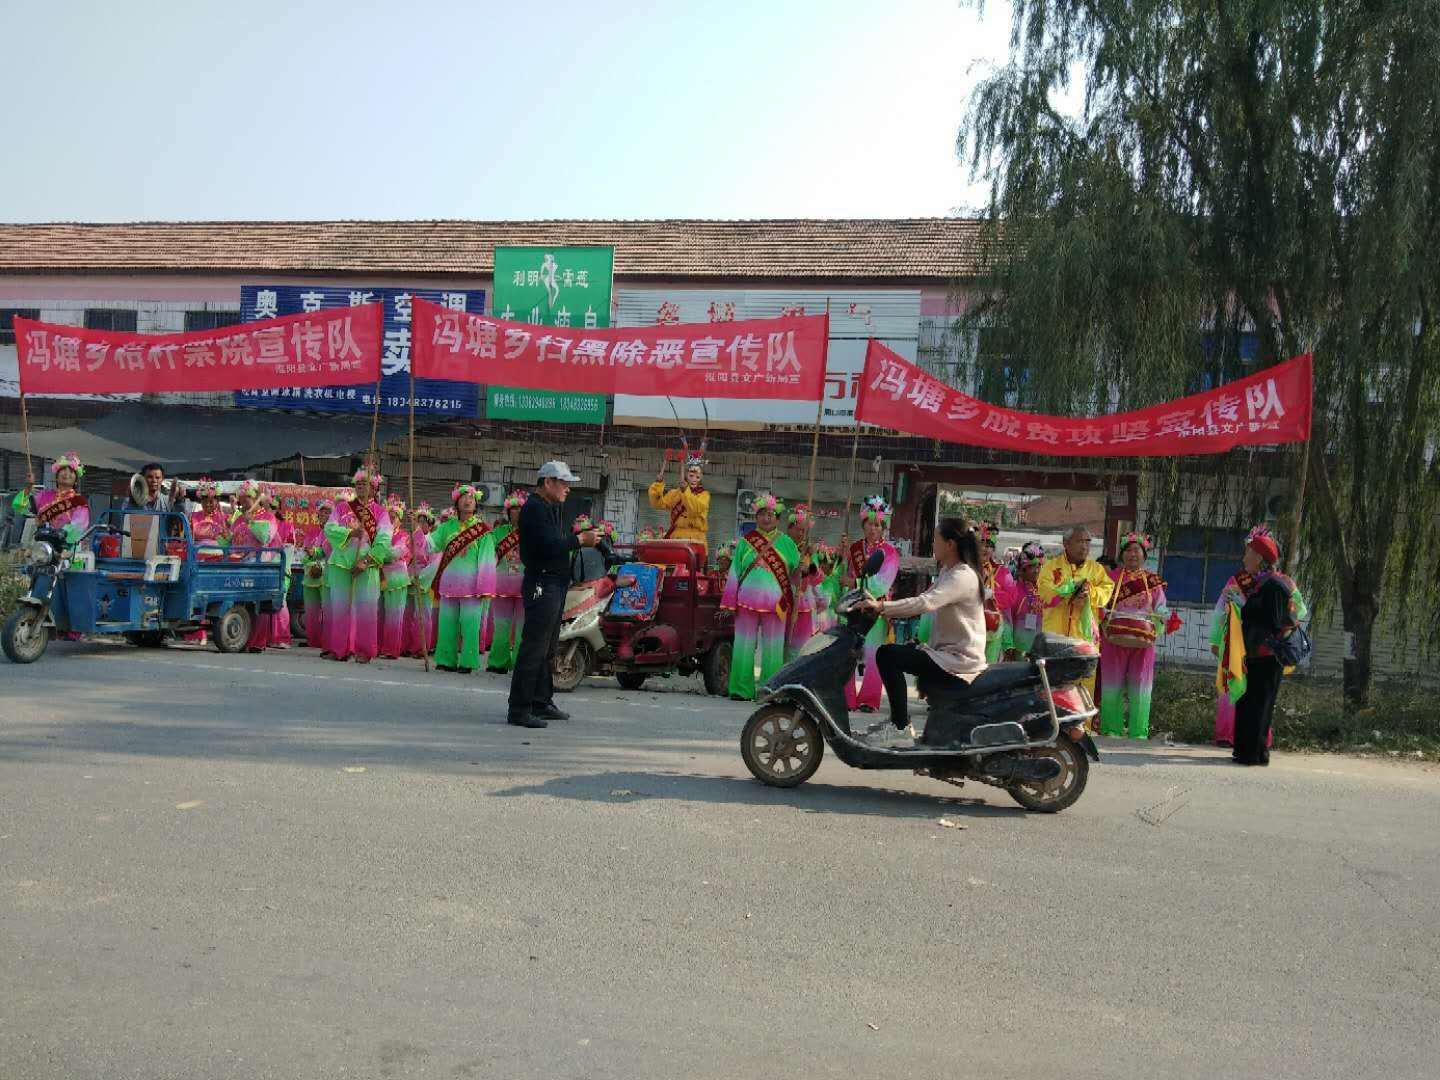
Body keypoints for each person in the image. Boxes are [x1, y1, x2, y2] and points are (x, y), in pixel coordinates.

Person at [860, 518, 988, 733]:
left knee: (887, 655)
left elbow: (925, 603)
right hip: (946, 654)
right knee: (894, 652)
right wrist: (883, 606)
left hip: (959, 661)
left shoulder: (962, 576)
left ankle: (900, 727)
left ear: (950, 544)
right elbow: (923, 598)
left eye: (936, 539)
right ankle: (899, 723)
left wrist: (882, 606)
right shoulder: (949, 571)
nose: (933, 544)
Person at [508, 462, 599, 728]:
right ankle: (519, 709)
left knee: (548, 648)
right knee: (534, 647)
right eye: (563, 483)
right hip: (542, 582)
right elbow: (549, 545)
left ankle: (541, 701)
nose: (567, 489)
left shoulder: (551, 507)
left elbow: (557, 542)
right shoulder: (534, 508)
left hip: (556, 583)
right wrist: (579, 540)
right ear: (547, 482)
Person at [1214, 525, 1308, 765]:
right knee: (1248, 701)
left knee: (1259, 704)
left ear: (1259, 557)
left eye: (1248, 553)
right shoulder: (1261, 582)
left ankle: (1253, 753)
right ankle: (1246, 751)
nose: (1244, 557)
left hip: (1268, 655)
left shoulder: (1275, 584)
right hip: (1254, 652)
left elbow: (1272, 620)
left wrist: (1244, 606)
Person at [721, 493, 801, 700]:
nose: (767, 518)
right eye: (763, 514)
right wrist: (728, 602)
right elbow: (734, 572)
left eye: (771, 514)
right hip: (746, 602)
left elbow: (796, 577)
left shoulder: (787, 543)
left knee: (773, 649)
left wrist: (804, 567)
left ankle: (770, 690)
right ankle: (741, 689)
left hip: (776, 604)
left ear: (778, 518)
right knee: (743, 646)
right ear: (756, 517)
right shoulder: (745, 542)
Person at [1098, 532, 1176, 739]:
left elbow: (1160, 606)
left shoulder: (1152, 581)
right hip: (1114, 637)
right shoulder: (1110, 579)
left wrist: (1166, 617)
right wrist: (1103, 618)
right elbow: (1101, 604)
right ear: (1122, 554)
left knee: (1141, 685)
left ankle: (1138, 731)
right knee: (1111, 683)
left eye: (1137, 550)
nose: (1132, 554)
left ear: (1144, 555)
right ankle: (1111, 728)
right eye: (1128, 550)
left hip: (1143, 639)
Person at [323, 469, 393, 663]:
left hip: (366, 565)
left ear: (374, 488)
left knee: (366, 609)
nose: (361, 486)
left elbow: (384, 538)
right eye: (358, 483)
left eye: (365, 483)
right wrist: (351, 533)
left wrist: (367, 560)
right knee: (340, 607)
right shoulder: (342, 507)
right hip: (340, 563)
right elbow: (329, 528)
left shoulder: (380, 512)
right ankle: (340, 649)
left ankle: (364, 651)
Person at [426, 483, 496, 674]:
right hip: (449, 585)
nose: (467, 501)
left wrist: (484, 587)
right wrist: (419, 533)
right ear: (456, 502)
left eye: (471, 498)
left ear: (476, 503)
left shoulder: (482, 530)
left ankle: (467, 661)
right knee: (446, 625)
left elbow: (487, 560)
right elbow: (430, 545)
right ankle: (445, 659)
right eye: (463, 497)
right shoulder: (446, 527)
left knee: (470, 627)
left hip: (472, 588)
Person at [1038, 525, 1114, 699]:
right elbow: (1044, 593)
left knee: (1084, 687)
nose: (1085, 546)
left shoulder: (1096, 569)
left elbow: (1106, 592)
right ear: (1066, 543)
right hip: (1056, 639)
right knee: (1054, 686)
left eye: (1088, 542)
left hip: (1084, 639)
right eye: (1080, 541)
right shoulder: (1050, 567)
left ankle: (1083, 717)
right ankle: (1055, 717)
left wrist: (1090, 593)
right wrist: (1069, 592)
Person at [843, 496, 901, 711]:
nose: (873, 528)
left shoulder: (890, 552)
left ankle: (869, 699)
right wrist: (841, 558)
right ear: (863, 524)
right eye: (869, 524)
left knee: (873, 654)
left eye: (877, 525)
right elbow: (844, 576)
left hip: (875, 608)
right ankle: (846, 697)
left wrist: (855, 582)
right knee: (848, 651)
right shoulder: (853, 548)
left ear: (883, 527)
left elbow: (883, 583)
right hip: (853, 607)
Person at [228, 480, 280, 653]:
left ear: (256, 497)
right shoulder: (239, 518)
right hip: (238, 564)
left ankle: (256, 642)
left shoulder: (268, 517)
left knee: (255, 605)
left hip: (259, 565)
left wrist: (252, 522)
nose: (243, 502)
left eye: (247, 499)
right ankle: (240, 638)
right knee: (239, 603)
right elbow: (231, 540)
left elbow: (265, 538)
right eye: (241, 499)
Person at [485, 491, 528, 673]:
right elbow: (487, 550)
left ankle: (520, 664)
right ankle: (498, 662)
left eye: (520, 509)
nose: (516, 512)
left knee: (522, 629)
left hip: (525, 587)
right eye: (513, 509)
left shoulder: (532, 532)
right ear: (508, 512)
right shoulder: (499, 532)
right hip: (502, 585)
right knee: (501, 626)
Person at [12, 451, 90, 548]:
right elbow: (20, 508)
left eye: (71, 471)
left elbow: (79, 525)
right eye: (63, 470)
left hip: (66, 548)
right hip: (42, 546)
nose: (67, 473)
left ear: (76, 481)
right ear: (56, 477)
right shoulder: (44, 495)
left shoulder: (79, 502)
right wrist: (28, 487)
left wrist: (61, 534)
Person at [785, 504, 823, 660]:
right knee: (780, 647)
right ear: (789, 528)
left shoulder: (809, 551)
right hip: (783, 604)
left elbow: (818, 578)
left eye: (804, 531)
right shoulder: (781, 547)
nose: (801, 534)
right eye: (798, 530)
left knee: (800, 650)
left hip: (803, 606)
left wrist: (810, 564)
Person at [378, 496, 413, 660]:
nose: (391, 519)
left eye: (395, 517)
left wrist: (378, 554)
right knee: (379, 615)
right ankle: (377, 646)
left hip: (397, 579)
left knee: (394, 616)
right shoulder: (380, 534)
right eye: (389, 516)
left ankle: (391, 649)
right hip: (380, 578)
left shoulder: (405, 535)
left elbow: (395, 553)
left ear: (400, 519)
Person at [976, 522, 1017, 663]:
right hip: (969, 627)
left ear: (993, 549)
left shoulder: (1002, 572)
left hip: (993, 628)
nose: (984, 548)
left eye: (989, 545)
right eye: (981, 544)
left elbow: (1012, 597)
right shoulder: (967, 569)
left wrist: (992, 594)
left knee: (989, 667)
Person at [648, 453, 710, 547]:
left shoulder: (704, 495)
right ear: (686, 476)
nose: (694, 479)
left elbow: (695, 509)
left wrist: (685, 491)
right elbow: (658, 504)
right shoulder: (675, 493)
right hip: (676, 538)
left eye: (697, 477)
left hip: (696, 540)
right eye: (691, 476)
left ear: (701, 479)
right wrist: (658, 484)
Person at [1002, 541, 1047, 657]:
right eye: (1032, 566)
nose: (1037, 570)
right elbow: (1006, 620)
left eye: (1039, 566)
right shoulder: (1013, 590)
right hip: (1018, 651)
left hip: (1041, 650)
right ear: (1022, 569)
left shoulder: (1044, 590)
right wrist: (1008, 646)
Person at [404, 502, 437, 659]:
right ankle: (408, 646)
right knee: (409, 614)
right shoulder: (412, 538)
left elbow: (434, 564)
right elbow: (406, 556)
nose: (421, 524)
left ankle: (421, 648)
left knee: (423, 616)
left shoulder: (432, 541)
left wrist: (421, 578)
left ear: (430, 525)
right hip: (410, 577)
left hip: (423, 581)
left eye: (424, 521)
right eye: (419, 521)